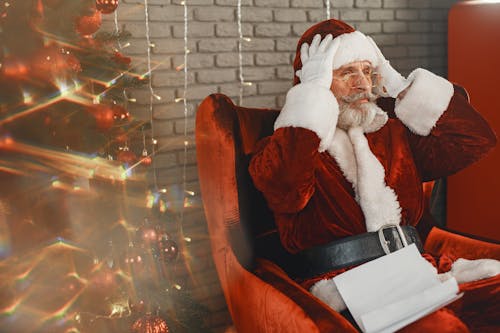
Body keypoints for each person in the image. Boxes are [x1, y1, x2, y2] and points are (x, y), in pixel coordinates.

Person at [248, 19, 500, 332]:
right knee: (441, 327)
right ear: (317, 80)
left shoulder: (393, 135)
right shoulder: (286, 147)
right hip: (344, 287)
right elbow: (286, 190)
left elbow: (474, 139)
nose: (363, 85)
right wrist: (310, 96)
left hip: (415, 270)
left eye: (367, 71)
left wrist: (403, 88)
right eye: (346, 72)